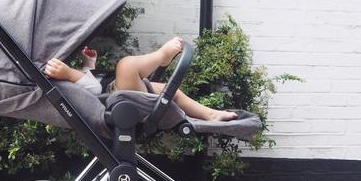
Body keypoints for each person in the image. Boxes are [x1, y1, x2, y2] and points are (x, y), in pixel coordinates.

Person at [44, 37, 238, 122]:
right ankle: (162, 56)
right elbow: (92, 90)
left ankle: (211, 114)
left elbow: (89, 82)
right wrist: (69, 74)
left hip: (118, 92)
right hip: (114, 100)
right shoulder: (64, 80)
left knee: (170, 91)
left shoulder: (72, 78)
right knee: (126, 66)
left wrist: (89, 64)